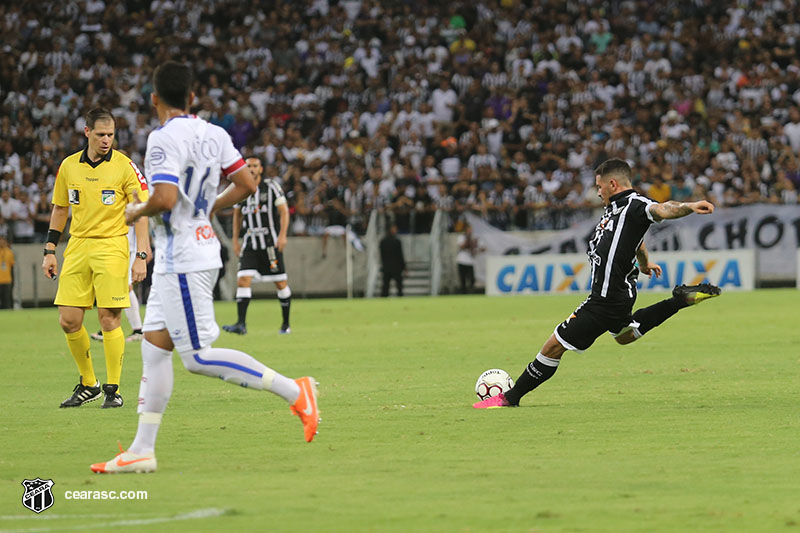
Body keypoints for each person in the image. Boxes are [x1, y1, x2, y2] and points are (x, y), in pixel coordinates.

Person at [90, 61, 319, 474]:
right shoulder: (215, 133)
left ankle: (295, 390)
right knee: (156, 351)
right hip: (187, 253)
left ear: (154, 99)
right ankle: (142, 449)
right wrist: (206, 207)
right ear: (192, 97)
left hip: (184, 260)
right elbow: (246, 185)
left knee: (196, 357)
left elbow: (161, 198)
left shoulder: (161, 138)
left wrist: (132, 212)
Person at [474, 158, 722, 409]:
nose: (598, 191)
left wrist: (689, 206)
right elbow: (635, 238)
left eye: (599, 186)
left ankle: (509, 398)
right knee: (626, 335)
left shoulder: (635, 204)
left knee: (553, 346)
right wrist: (644, 262)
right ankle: (677, 301)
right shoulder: (615, 209)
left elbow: (663, 209)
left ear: (612, 184)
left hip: (605, 298)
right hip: (619, 294)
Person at [42, 107, 150, 410]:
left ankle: (113, 389)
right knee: (69, 320)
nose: (106, 140)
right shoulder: (68, 166)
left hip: (112, 246)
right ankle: (89, 383)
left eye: (111, 135)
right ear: (87, 132)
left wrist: (140, 254)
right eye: (101, 134)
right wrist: (50, 250)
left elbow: (141, 212)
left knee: (108, 318)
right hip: (76, 246)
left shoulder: (125, 166)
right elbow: (60, 209)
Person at [222, 157, 292, 335]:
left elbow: (283, 211)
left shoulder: (271, 187)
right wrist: (235, 240)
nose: (251, 169)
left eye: (255, 166)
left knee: (280, 282)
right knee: (243, 279)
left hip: (269, 242)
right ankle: (241, 324)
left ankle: (285, 324)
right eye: (248, 166)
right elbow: (237, 215)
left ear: (261, 169)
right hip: (251, 241)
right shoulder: (240, 188)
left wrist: (282, 235)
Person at [90, 224, 149, 342]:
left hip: (126, 247)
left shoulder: (129, 205)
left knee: (125, 286)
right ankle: (109, 327)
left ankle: (137, 329)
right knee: (115, 286)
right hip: (113, 247)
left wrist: (144, 248)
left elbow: (140, 218)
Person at [456, 224, 484, 293]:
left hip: (470, 261)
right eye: (469, 230)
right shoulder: (461, 237)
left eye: (471, 230)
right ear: (465, 230)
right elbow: (462, 246)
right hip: (461, 260)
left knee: (472, 279)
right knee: (463, 278)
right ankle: (463, 292)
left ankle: (471, 292)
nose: (470, 231)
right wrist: (468, 240)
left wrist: (476, 247)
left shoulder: (474, 238)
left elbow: (481, 248)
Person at [379, 223, 406, 297]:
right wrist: (404, 267)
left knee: (385, 287)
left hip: (386, 267)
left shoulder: (382, 242)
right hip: (396, 267)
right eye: (394, 228)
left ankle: (383, 302)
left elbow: (381, 256)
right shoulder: (397, 242)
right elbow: (400, 255)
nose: (396, 230)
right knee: (399, 287)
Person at [0, 236, 13, 309]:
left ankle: (8, 311)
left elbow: (12, 266)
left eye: (3, 241)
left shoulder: (9, 252)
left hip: (7, 279)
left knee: (7, 298)